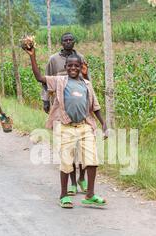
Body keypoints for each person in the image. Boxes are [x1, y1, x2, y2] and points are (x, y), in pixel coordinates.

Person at [23, 45, 108, 208]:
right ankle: (63, 195)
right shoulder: (60, 81)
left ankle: (90, 194)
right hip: (65, 127)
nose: (73, 68)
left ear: (81, 67)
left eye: (76, 65)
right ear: (66, 67)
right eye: (70, 66)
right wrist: (32, 56)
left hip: (85, 126)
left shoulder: (87, 85)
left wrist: (103, 123)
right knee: (66, 162)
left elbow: (95, 106)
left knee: (92, 161)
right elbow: (39, 77)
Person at [42, 32, 90, 197]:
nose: (68, 42)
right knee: (68, 148)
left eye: (71, 40)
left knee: (82, 149)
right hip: (61, 107)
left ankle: (82, 177)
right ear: (61, 42)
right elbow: (45, 80)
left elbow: (87, 79)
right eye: (65, 40)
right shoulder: (53, 59)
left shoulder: (80, 57)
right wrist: (45, 100)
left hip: (79, 105)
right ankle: (73, 183)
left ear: (74, 42)